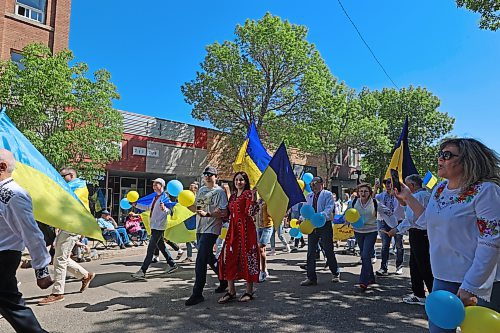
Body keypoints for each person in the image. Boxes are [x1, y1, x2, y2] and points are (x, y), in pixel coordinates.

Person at [394, 138, 500, 332]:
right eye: (440, 154)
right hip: (443, 276)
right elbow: (429, 220)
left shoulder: (487, 191)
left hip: (482, 281)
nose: (439, 159)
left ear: (468, 160)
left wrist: (471, 285)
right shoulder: (440, 189)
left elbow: (491, 240)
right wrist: (408, 197)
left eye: (447, 155)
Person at [0, 149, 54, 332]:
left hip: (3, 257)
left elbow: (31, 233)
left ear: (2, 167)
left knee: (15, 310)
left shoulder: (12, 194)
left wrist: (42, 270)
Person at [39, 168, 95, 306]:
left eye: (63, 176)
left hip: (73, 226)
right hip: (67, 226)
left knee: (59, 259)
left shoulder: (78, 187)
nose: (61, 179)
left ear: (71, 175)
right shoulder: (71, 187)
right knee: (61, 257)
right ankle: (85, 275)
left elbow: (67, 203)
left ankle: (58, 292)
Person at [385, 174, 433, 305]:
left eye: (406, 184)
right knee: (418, 265)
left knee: (421, 266)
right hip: (425, 234)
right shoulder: (428, 195)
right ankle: (421, 294)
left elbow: (411, 219)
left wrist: (396, 229)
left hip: (418, 233)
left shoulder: (417, 197)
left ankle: (427, 295)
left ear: (412, 185)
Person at [185, 166, 229, 306]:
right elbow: (199, 208)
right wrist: (186, 205)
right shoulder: (203, 190)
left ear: (216, 177)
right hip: (200, 228)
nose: (208, 176)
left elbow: (224, 212)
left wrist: (209, 214)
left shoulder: (220, 192)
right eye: (206, 174)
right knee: (208, 257)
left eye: (211, 174)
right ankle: (224, 281)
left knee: (200, 261)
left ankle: (197, 293)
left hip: (212, 229)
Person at [217, 172, 260, 303]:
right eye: (236, 180)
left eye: (241, 180)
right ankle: (231, 291)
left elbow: (251, 212)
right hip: (233, 230)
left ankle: (249, 291)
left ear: (245, 182)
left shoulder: (248, 194)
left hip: (247, 230)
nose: (239, 182)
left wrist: (253, 198)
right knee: (228, 258)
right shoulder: (233, 196)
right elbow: (228, 213)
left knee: (248, 258)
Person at [348, 183, 397, 291]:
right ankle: (371, 277)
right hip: (358, 232)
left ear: (370, 192)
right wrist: (347, 220)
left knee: (365, 254)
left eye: (365, 191)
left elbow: (388, 212)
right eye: (361, 191)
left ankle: (363, 281)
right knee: (364, 254)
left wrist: (394, 224)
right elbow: (348, 214)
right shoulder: (354, 202)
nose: (363, 193)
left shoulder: (375, 203)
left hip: (371, 231)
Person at [131, 178, 178, 279]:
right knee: (161, 246)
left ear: (161, 186)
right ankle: (172, 264)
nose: (154, 186)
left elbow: (170, 211)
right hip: (154, 226)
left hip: (159, 227)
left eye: (156, 184)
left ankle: (142, 271)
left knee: (150, 249)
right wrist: (137, 205)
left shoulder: (165, 198)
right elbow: (149, 208)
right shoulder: (155, 197)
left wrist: (164, 209)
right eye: (153, 184)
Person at [300, 176, 340, 286]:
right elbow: (305, 209)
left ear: (321, 184)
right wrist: (301, 219)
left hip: (324, 224)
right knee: (311, 252)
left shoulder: (327, 194)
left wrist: (320, 215)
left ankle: (335, 272)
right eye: (311, 184)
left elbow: (329, 208)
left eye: (315, 184)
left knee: (328, 250)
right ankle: (311, 277)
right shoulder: (309, 196)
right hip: (312, 225)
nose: (313, 186)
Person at [374, 178, 406, 276]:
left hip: (398, 221)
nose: (387, 185)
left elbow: (404, 204)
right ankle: (384, 268)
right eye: (386, 183)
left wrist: (396, 194)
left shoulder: (399, 194)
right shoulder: (381, 195)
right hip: (385, 222)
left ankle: (399, 266)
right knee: (385, 246)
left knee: (399, 245)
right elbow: (372, 200)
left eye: (389, 183)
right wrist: (375, 188)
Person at [256, 200, 273, 282]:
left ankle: (262, 272)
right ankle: (265, 268)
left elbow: (274, 212)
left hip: (267, 227)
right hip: (258, 227)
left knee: (261, 248)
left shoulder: (270, 199)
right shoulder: (258, 200)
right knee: (262, 250)